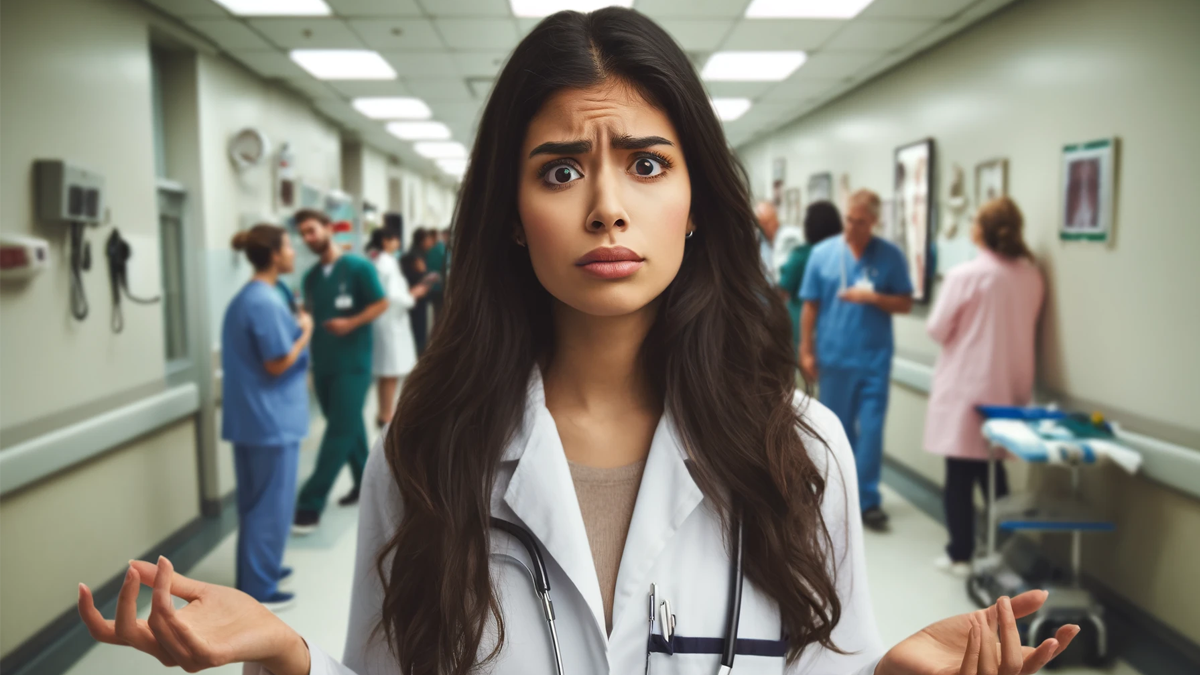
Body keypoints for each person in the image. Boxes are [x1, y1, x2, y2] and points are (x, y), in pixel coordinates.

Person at [77, 9, 1079, 675]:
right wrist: (285, 665)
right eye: (560, 171)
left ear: (695, 205)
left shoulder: (801, 449)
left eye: (647, 163)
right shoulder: (425, 449)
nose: (607, 207)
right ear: (512, 212)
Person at [925, 197, 1045, 576]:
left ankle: (961, 554)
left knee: (960, 475)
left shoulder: (967, 275)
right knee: (993, 474)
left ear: (981, 230)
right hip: (1008, 387)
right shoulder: (1030, 276)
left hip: (967, 386)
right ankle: (1002, 550)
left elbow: (937, 328)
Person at [800, 189, 914, 532]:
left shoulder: (890, 256)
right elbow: (810, 305)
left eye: (860, 222)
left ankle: (867, 500)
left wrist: (874, 298)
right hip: (834, 358)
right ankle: (835, 498)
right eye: (848, 219)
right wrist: (806, 349)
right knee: (837, 432)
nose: (851, 227)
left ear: (874, 222)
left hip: (873, 359)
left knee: (873, 431)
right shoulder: (822, 254)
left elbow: (905, 303)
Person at [221, 225, 312, 611]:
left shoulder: (249, 297)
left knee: (255, 502)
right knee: (269, 507)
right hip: (270, 421)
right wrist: (306, 331)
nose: (293, 252)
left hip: (253, 419)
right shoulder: (265, 302)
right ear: (274, 255)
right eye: (289, 246)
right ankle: (259, 589)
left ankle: (259, 573)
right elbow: (277, 363)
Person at [291, 209, 388, 532]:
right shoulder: (311, 278)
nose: (308, 238)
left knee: (338, 432)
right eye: (303, 234)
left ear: (329, 229)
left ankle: (309, 502)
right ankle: (366, 483)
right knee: (348, 427)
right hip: (324, 363)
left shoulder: (357, 267)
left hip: (353, 365)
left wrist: (352, 322)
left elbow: (381, 303)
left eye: (312, 230)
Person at [365, 225, 428, 429]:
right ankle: (386, 415)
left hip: (387, 321)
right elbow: (392, 295)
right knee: (390, 371)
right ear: (385, 241)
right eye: (394, 239)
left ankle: (385, 412)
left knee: (386, 371)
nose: (398, 243)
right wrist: (412, 296)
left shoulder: (377, 260)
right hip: (390, 322)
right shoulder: (386, 263)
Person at [779, 201, 843, 360]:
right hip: (837, 329)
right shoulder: (845, 255)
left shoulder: (802, 256)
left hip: (803, 332)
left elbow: (783, 289)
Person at [400, 229, 431, 356]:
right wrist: (429, 279)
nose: (430, 242)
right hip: (416, 296)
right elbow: (422, 275)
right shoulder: (417, 256)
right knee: (418, 329)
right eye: (428, 239)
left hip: (410, 294)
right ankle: (418, 354)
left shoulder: (410, 253)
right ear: (422, 240)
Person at [423, 227, 448, 323]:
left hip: (434, 287)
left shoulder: (433, 250)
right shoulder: (441, 250)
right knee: (441, 317)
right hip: (441, 288)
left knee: (437, 316)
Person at [753, 200, 779, 279]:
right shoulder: (760, 242)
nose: (767, 227)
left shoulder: (785, 238)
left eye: (768, 222)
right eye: (763, 224)